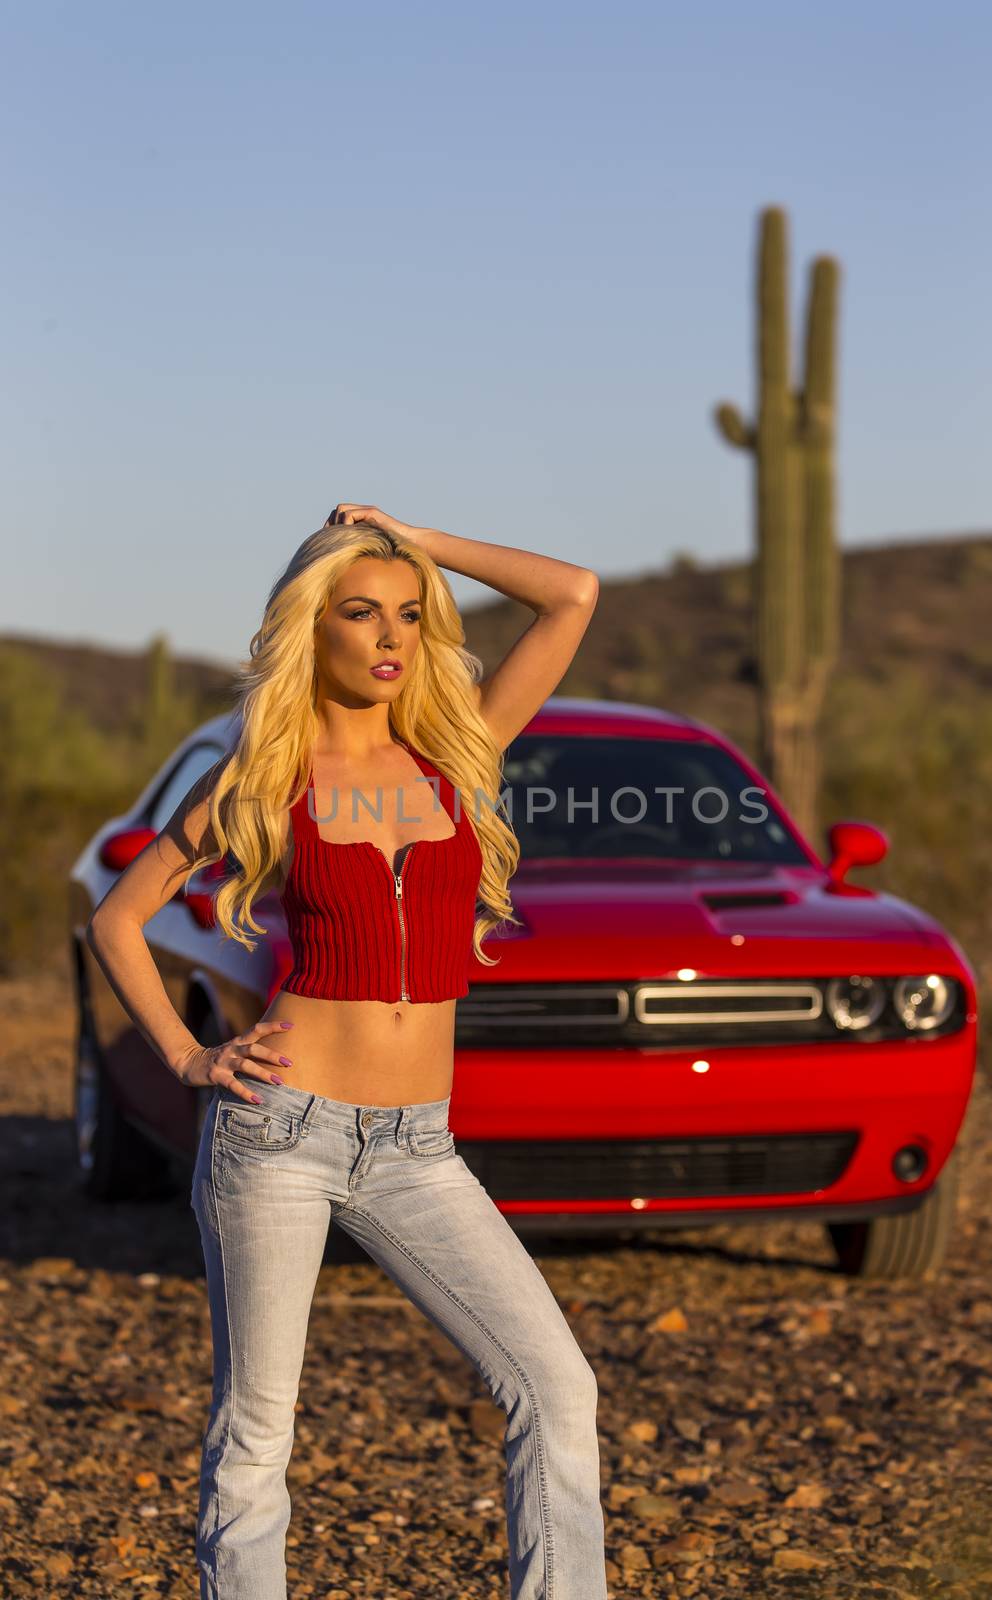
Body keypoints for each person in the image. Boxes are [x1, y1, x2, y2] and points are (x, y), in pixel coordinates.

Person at [85, 504, 606, 1600]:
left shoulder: (454, 748)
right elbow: (119, 918)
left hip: (420, 1148)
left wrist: (412, 536)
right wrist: (188, 1058)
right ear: (309, 626)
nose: (390, 637)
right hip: (280, 1133)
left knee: (554, 1388)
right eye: (361, 611)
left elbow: (571, 595)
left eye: (409, 616)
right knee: (258, 1431)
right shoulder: (266, 772)